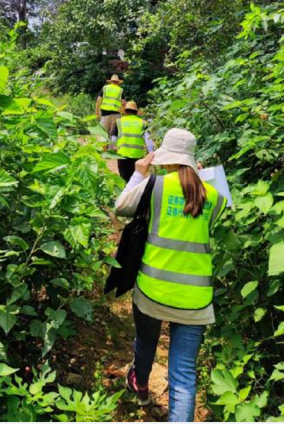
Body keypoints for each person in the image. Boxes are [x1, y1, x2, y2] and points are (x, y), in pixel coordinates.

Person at [114, 129, 227, 422]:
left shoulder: (155, 185)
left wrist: (138, 174)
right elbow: (211, 224)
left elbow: (121, 208)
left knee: (146, 343)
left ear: (165, 157)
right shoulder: (215, 196)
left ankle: (140, 388)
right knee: (184, 373)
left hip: (153, 290)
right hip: (196, 298)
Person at [113, 101, 153, 183]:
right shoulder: (143, 123)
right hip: (137, 155)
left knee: (124, 179)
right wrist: (151, 153)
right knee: (136, 179)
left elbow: (113, 137)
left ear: (126, 111)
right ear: (136, 112)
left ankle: (125, 194)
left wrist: (114, 148)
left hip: (122, 155)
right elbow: (148, 140)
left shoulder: (119, 121)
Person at [95, 74, 125, 140]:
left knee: (103, 133)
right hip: (116, 114)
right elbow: (123, 103)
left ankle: (103, 149)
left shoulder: (105, 88)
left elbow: (98, 100)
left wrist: (97, 112)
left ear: (111, 81)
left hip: (105, 114)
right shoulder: (120, 90)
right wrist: (123, 115)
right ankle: (112, 149)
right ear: (118, 82)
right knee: (113, 134)